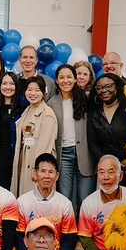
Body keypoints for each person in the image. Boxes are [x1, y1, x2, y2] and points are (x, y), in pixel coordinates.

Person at [47, 64, 94, 214]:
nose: (65, 80)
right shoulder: (51, 103)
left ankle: (83, 229)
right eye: (61, 77)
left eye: (69, 77)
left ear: (75, 79)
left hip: (84, 154)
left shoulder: (86, 99)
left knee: (84, 200)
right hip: (63, 155)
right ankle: (67, 229)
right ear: (57, 80)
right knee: (64, 199)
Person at [15, 153, 77, 250]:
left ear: (57, 176)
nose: (47, 176)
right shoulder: (22, 202)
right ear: (35, 173)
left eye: (51, 172)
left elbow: (68, 239)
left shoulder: (65, 204)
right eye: (43, 171)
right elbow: (19, 236)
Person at [11, 75, 57, 197]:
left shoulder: (47, 114)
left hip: (36, 164)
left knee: (36, 198)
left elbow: (45, 146)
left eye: (37, 90)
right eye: (30, 90)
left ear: (43, 93)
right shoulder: (28, 110)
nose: (33, 93)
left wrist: (37, 169)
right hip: (25, 159)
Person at [87, 73, 126, 185]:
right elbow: (93, 144)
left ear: (117, 86)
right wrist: (108, 163)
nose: (104, 90)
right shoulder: (94, 112)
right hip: (107, 171)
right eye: (99, 88)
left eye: (108, 86)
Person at [0, 71, 23, 189]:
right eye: (4, 83)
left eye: (11, 84)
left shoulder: (23, 106)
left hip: (18, 156)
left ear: (16, 86)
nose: (8, 87)